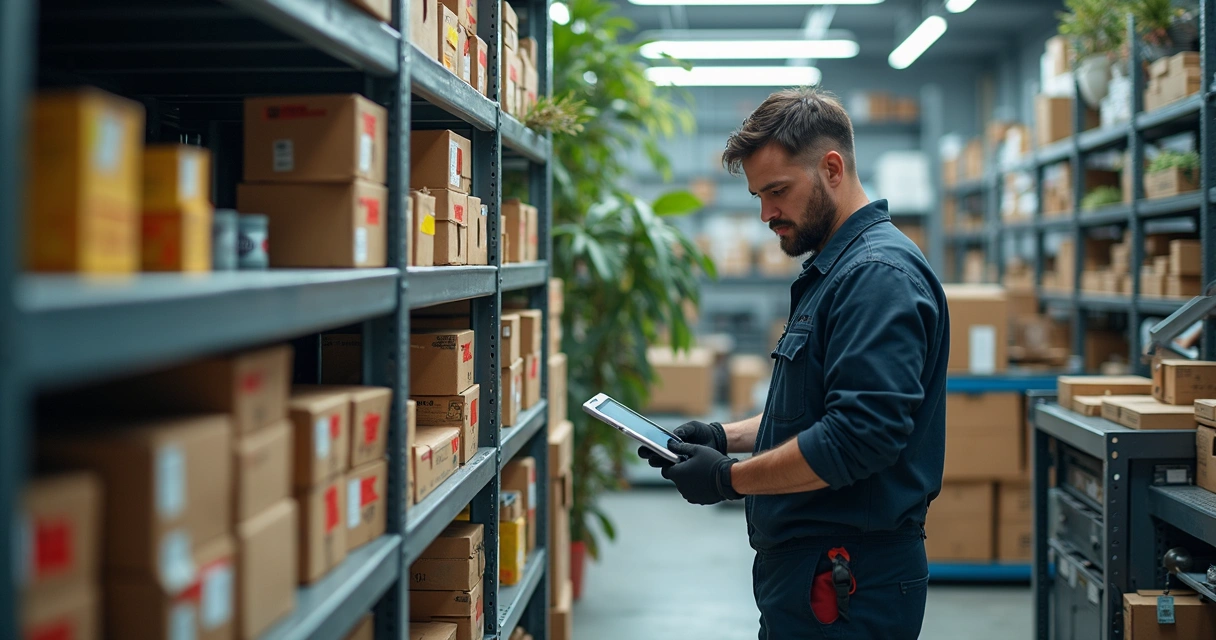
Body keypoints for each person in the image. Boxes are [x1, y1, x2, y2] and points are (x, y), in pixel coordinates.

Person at [639, 87, 949, 639]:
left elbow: (856, 437)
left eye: (778, 191)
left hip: (849, 582)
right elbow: (818, 411)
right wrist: (723, 436)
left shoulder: (876, 276)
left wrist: (728, 479)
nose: (766, 214)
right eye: (758, 196)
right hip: (819, 574)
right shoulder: (839, 270)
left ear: (832, 168)